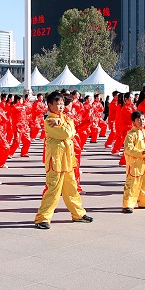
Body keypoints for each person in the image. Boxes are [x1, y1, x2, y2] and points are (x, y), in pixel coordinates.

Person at [34, 91, 92, 230]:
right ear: (50, 105)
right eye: (58, 104)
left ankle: (78, 214)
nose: (61, 106)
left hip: (67, 160)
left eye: (62, 104)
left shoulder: (64, 118)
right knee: (53, 190)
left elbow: (72, 130)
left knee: (71, 189)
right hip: (56, 162)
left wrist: (62, 122)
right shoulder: (49, 121)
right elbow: (67, 133)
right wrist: (66, 125)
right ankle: (43, 218)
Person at [121, 110, 145, 213]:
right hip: (135, 164)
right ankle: (128, 204)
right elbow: (128, 149)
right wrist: (141, 153)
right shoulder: (131, 135)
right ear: (133, 122)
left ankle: (143, 202)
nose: (142, 122)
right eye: (139, 120)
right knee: (132, 185)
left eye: (143, 119)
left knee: (144, 183)